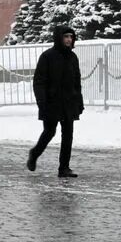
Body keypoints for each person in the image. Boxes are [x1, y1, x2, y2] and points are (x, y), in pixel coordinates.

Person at [27, 26, 83, 178]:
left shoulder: (73, 57)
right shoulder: (47, 56)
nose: (69, 40)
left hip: (69, 102)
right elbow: (39, 82)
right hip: (51, 102)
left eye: (71, 37)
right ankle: (34, 153)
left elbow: (76, 81)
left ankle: (64, 167)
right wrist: (42, 102)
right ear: (59, 38)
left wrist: (79, 101)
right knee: (49, 132)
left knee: (68, 135)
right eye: (66, 37)